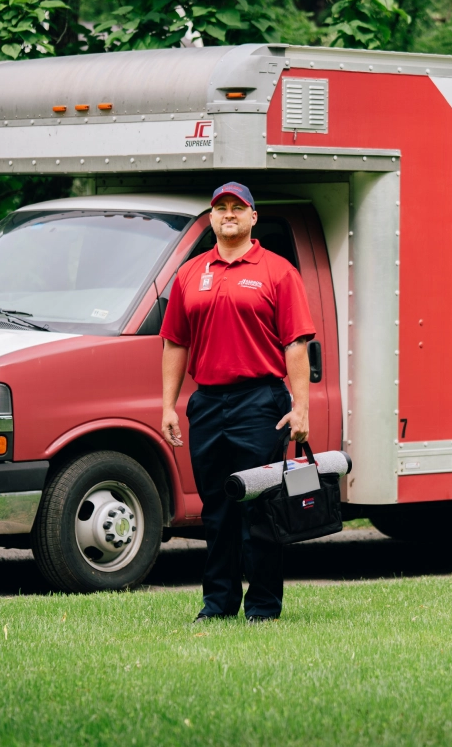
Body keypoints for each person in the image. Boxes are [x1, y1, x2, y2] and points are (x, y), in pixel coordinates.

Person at [160, 182, 315, 623]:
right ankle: (218, 604)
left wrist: (299, 408)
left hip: (260, 402)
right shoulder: (191, 272)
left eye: (237, 207)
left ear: (252, 217)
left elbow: (296, 344)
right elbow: (174, 342)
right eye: (220, 207)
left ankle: (263, 607)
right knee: (216, 511)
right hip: (207, 403)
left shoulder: (278, 271)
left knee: (260, 509)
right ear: (211, 218)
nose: (228, 214)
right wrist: (169, 405)